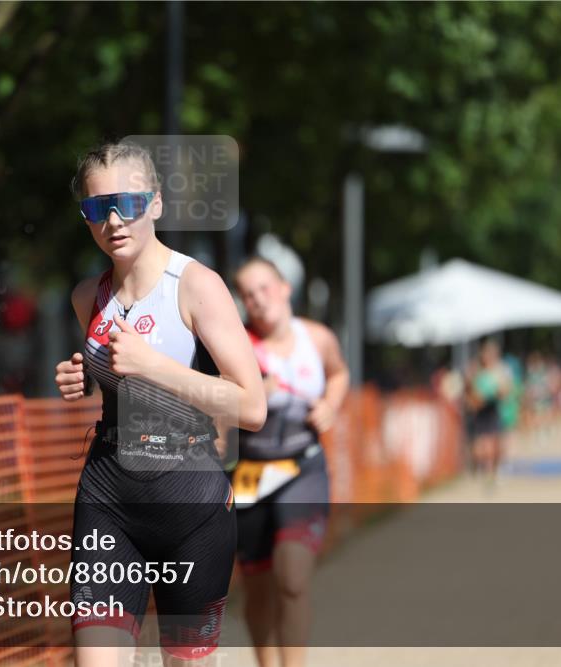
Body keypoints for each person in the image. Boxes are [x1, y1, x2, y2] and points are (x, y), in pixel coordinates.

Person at [54, 142, 267, 666]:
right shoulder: (88, 296)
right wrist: (81, 377)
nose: (113, 221)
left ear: (155, 203)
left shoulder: (196, 286)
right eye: (96, 208)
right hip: (108, 500)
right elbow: (115, 381)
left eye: (126, 203)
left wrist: (154, 367)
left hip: (190, 504)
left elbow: (252, 406)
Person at [230, 257, 349, 667]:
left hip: (302, 467)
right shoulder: (237, 347)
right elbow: (214, 406)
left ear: (285, 288)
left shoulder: (317, 338)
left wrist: (331, 405)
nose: (258, 300)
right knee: (259, 588)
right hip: (249, 475)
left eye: (265, 288)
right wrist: (250, 394)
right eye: (248, 294)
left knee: (293, 578)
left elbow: (338, 374)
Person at [464, 340, 512, 482]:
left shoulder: (499, 371)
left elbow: (505, 391)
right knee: (482, 445)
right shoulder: (477, 371)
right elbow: (470, 392)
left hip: (494, 410)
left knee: (495, 444)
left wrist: (495, 394)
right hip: (480, 412)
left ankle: (493, 470)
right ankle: (484, 468)